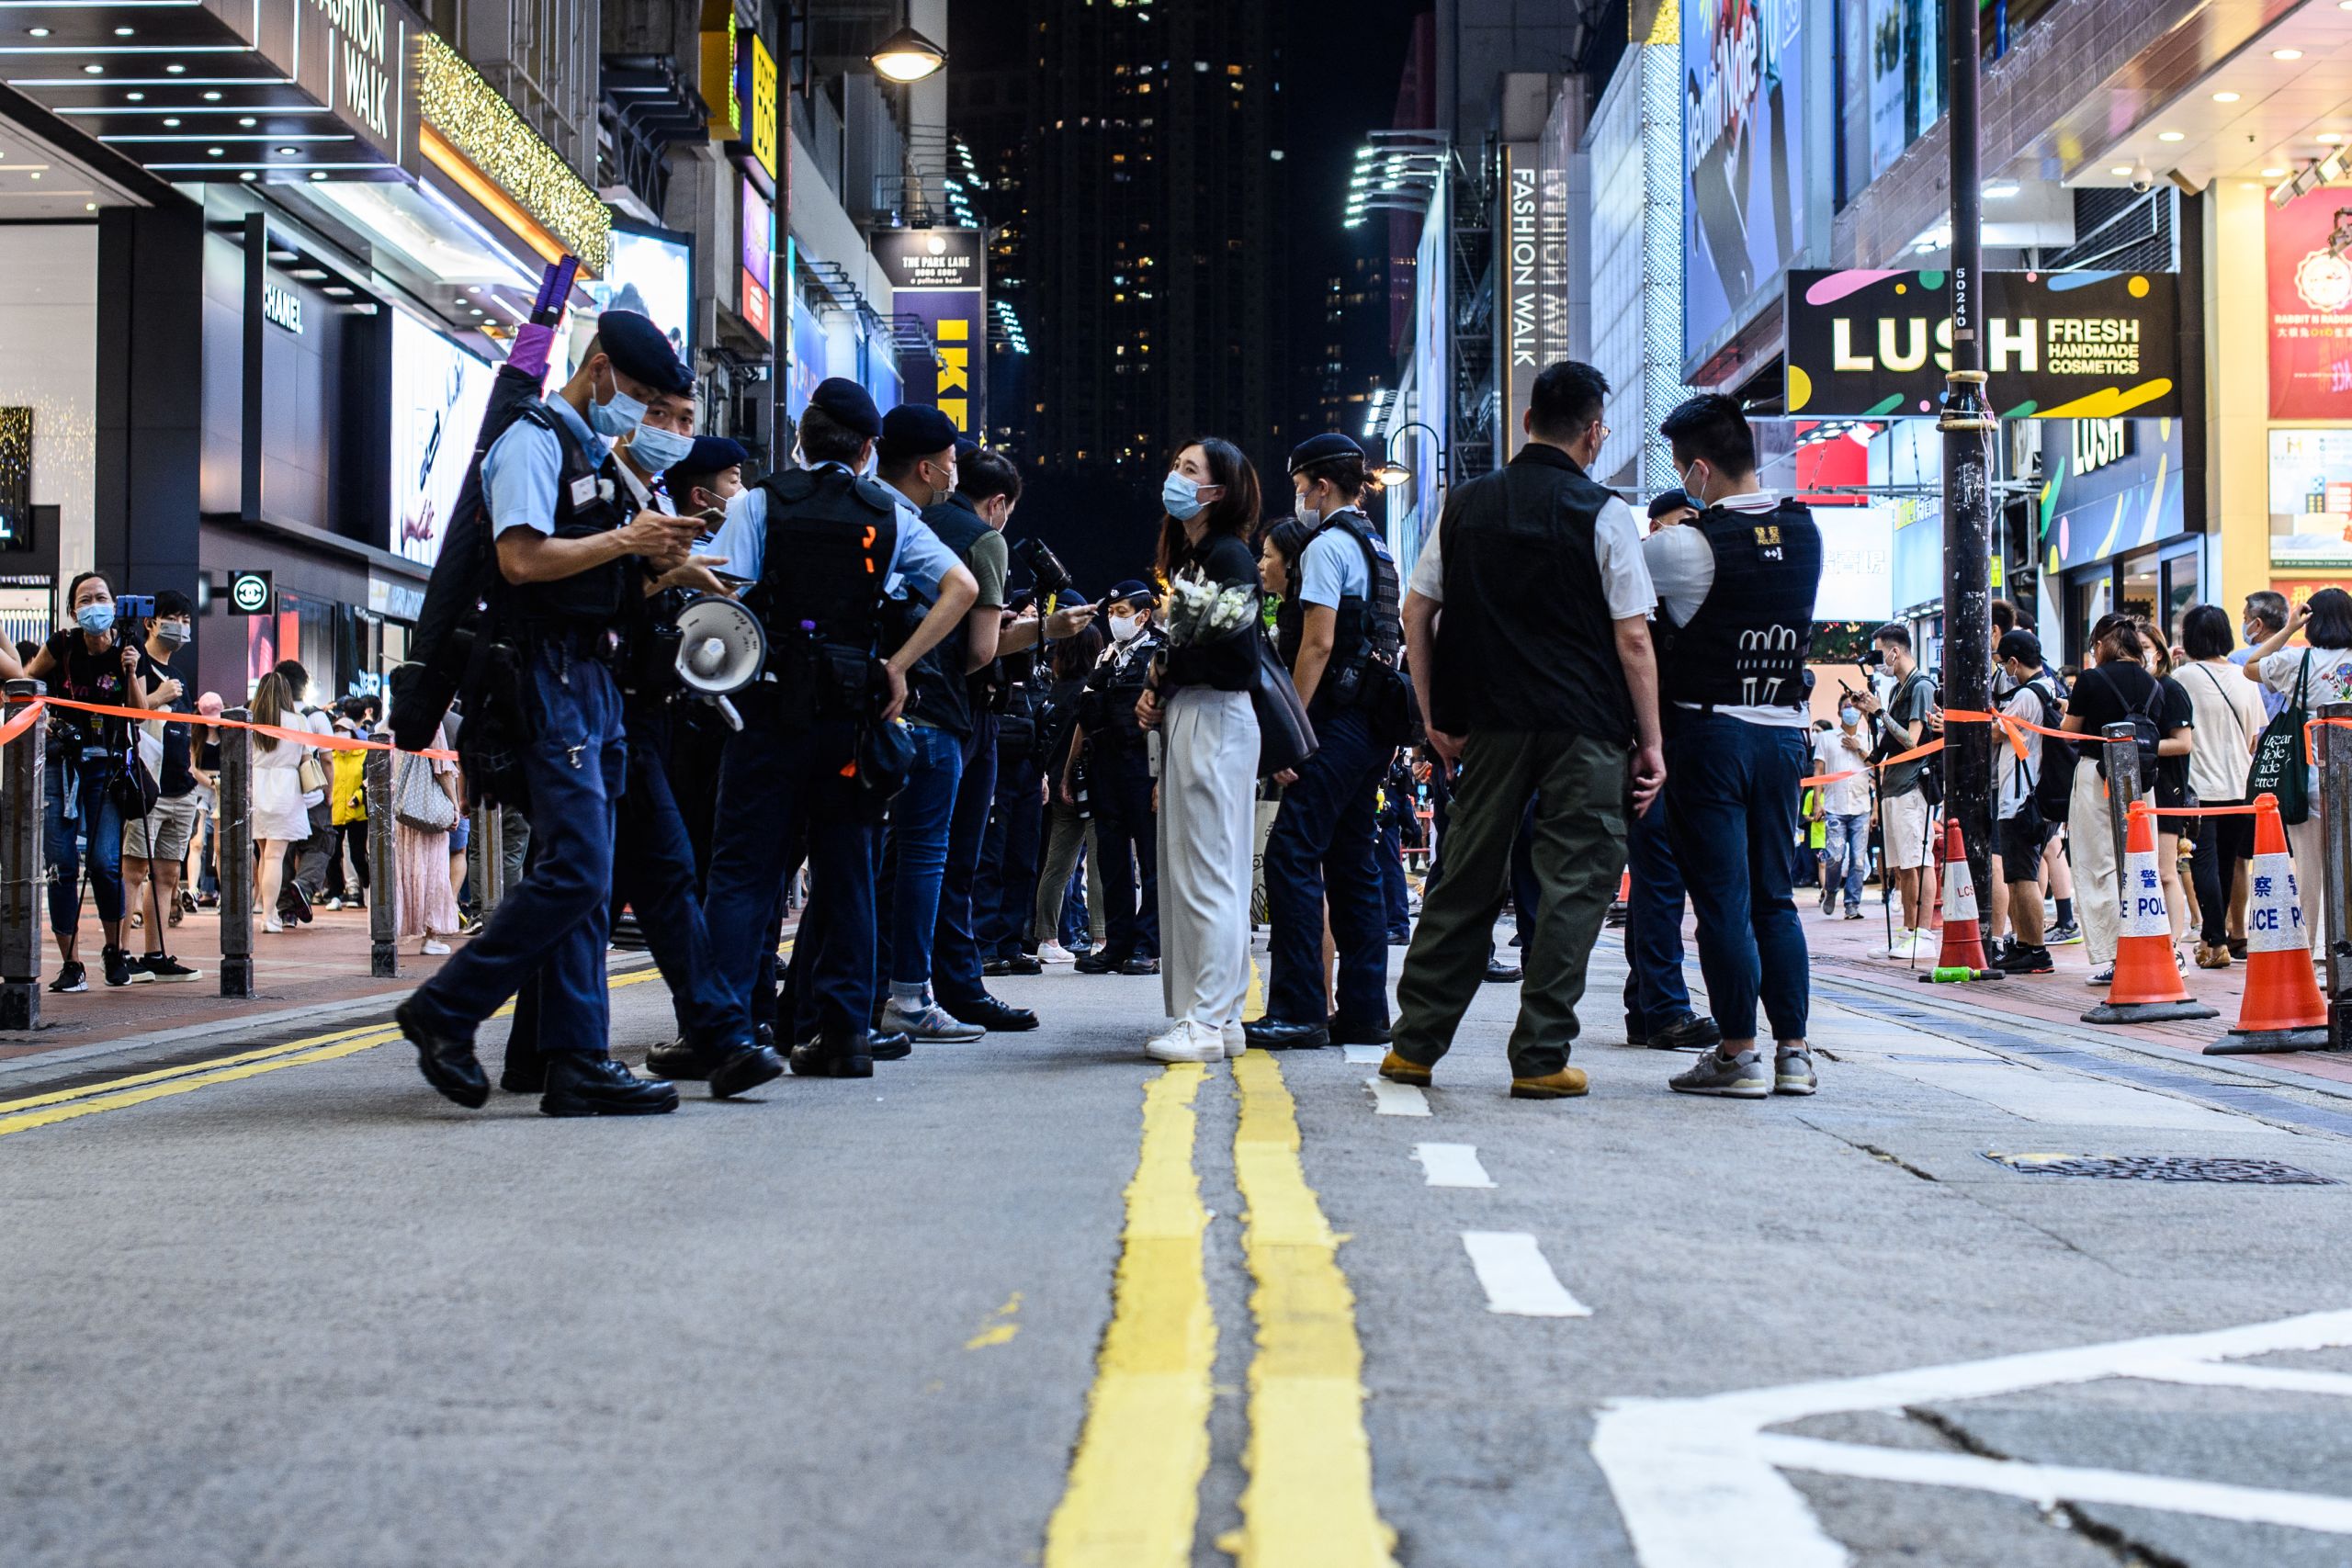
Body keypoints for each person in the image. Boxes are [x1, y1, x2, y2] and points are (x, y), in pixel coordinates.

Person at [395, 310, 742, 1117]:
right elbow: (521, 559)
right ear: (600, 371)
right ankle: (447, 1007)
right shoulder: (534, 441)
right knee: (581, 866)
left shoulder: (592, 454)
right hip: (547, 676)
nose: (650, 418)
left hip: (594, 675)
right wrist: (628, 542)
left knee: (588, 870)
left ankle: (577, 1059)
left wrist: (661, 563)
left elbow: (590, 573)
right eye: (645, 399)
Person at [1376, 361, 1664, 1099]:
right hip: (1586, 726)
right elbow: (1633, 638)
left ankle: (1413, 1047)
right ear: (1594, 434)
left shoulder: (1465, 505)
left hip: (1491, 722)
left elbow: (1416, 610)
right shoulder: (1605, 513)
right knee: (1575, 880)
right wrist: (1652, 742)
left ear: (1528, 421)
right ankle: (1539, 1055)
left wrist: (1433, 715)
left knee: (1464, 877)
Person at [700, 377, 978, 1077]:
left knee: (743, 872)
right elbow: (963, 588)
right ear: (866, 450)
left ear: (801, 439)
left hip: (769, 708)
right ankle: (844, 1033)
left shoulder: (759, 502)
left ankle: (725, 1029)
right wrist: (898, 664)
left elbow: (721, 593)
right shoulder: (887, 513)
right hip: (853, 714)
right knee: (848, 870)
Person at [535, 381, 762, 1093]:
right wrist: (665, 575)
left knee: (600, 887)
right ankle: (716, 1035)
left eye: (686, 419)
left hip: (634, 718)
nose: (673, 429)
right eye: (660, 414)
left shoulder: (642, 500)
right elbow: (577, 597)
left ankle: (540, 1049)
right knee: (640, 876)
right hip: (603, 713)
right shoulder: (596, 491)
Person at [1641, 392, 1824, 1100]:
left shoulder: (1682, 546)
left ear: (1699, 470)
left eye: (1680, 469)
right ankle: (1794, 1053)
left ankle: (1738, 1052)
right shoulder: (1806, 530)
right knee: (1775, 898)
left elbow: (1616, 594)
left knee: (1722, 900)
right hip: (1784, 735)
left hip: (1711, 733)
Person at [1248, 433, 1404, 1052]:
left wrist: (1291, 732)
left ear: (1320, 485)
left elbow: (1316, 644)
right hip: (1374, 724)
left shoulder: (1326, 547)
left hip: (1335, 721)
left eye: (1299, 487)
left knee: (1290, 852)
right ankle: (1364, 1011)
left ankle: (1299, 1008)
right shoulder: (1375, 546)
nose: (1298, 498)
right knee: (1352, 862)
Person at [918, 443, 1062, 1034]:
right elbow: (980, 652)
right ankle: (959, 986)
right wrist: (1045, 629)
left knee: (905, 860)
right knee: (957, 861)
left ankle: (901, 986)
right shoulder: (985, 540)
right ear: (998, 503)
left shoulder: (917, 523)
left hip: (907, 702)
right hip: (964, 711)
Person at [865, 406, 996, 1044]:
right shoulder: (910, 525)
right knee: (924, 858)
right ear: (926, 467)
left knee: (858, 858)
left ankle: (846, 995)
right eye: (949, 462)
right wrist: (901, 664)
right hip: (925, 713)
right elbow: (966, 602)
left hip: (841, 710)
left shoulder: (841, 508)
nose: (954, 473)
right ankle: (909, 997)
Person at [1134, 437, 1267, 1064]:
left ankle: (1207, 1021)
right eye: (1176, 465)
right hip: (1202, 715)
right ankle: (1222, 1015)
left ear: (1218, 490)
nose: (1175, 477)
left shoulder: (1227, 556)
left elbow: (1236, 659)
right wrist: (1160, 683)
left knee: (1208, 875)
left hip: (1215, 717)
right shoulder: (1200, 557)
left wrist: (1169, 669)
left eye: (1190, 470)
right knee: (1210, 872)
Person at [23, 571, 169, 990]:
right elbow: (28, 683)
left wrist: (131, 671)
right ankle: (71, 964)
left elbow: (138, 714)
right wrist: (43, 716)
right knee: (60, 864)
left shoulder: (128, 649)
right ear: (73, 611)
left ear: (114, 605)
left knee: (105, 863)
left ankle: (114, 951)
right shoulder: (61, 645)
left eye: (101, 598)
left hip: (108, 768)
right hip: (62, 764)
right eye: (84, 600)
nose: (94, 606)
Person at [1621, 487, 1718, 1053]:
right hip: (1649, 748)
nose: (1693, 536)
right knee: (1660, 879)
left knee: (1657, 881)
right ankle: (1664, 1009)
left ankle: (1648, 1005)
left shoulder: (1670, 590)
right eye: (1685, 523)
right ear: (1656, 529)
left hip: (1663, 745)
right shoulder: (1637, 580)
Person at [2062, 615, 2177, 984]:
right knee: (2140, 863)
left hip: (2098, 778)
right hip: (2141, 782)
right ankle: (2148, 947)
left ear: (2103, 645)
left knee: (2099, 865)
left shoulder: (2091, 679)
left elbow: (2069, 731)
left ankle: (2117, 953)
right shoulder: (2153, 684)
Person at [2245, 585, 2352, 956]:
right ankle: (2346, 948)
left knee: (2308, 869)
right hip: (2349, 781)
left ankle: (2313, 951)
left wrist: (2289, 628)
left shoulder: (2297, 662)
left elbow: (2251, 666)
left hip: (2307, 781)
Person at [1069, 581, 1167, 976]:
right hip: (1106, 768)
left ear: (1143, 616)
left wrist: (1164, 779)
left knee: (1152, 861)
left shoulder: (1161, 652)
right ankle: (1117, 943)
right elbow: (1085, 716)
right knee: (1110, 860)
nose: (1114, 619)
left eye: (1122, 612)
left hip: (1145, 768)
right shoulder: (1106, 655)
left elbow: (1171, 717)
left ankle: (1147, 945)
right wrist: (1069, 768)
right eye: (1110, 612)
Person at [2177, 604, 2267, 969]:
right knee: (2227, 864)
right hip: (2241, 787)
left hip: (2202, 787)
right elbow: (2253, 739)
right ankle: (2215, 938)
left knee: (2203, 863)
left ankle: (2215, 939)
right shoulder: (2245, 678)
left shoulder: (2185, 677)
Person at [121, 591, 203, 982]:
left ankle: (156, 953)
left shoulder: (180, 676)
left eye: (186, 621)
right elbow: (132, 713)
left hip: (181, 787)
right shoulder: (136, 661)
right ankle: (120, 953)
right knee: (134, 870)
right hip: (147, 785)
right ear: (150, 622)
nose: (181, 627)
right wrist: (158, 696)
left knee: (168, 874)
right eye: (173, 618)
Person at [1854, 623, 1939, 958]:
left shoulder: (1921, 686)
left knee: (1919, 860)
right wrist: (1871, 714)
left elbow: (1912, 740)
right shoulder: (1897, 690)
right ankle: (1907, 932)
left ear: (1894, 651)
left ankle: (1923, 934)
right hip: (1893, 785)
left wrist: (1880, 712)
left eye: (1879, 655)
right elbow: (1889, 740)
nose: (1878, 663)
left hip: (1913, 785)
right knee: (1902, 865)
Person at [1031, 623, 1107, 964]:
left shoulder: (1052, 691)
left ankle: (1047, 938)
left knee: (1056, 866)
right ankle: (1100, 938)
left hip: (1057, 785)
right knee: (1099, 863)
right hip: (1090, 783)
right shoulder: (1092, 691)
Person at [1989, 630, 2062, 975]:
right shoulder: (2050, 687)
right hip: (2037, 794)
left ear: (2015, 662)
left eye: (2004, 664)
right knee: (2019, 875)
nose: (2005, 671)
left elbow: (1995, 732)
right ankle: (2024, 946)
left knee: (2022, 877)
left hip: (2020, 797)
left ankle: (2036, 950)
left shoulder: (2027, 695)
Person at [2139, 624, 2198, 953]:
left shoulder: (2171, 690)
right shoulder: (2136, 688)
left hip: (2166, 790)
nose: (2139, 654)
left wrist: (2139, 747)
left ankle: (2173, 946)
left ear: (2159, 652)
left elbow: (2183, 743)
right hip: (2139, 791)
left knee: (2165, 872)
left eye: (2145, 646)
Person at [388, 707, 462, 956]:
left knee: (402, 871)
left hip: (399, 811)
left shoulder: (387, 725)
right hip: (427, 811)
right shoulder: (431, 724)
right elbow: (442, 769)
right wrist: (454, 805)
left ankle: (391, 930)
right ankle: (432, 936)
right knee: (434, 871)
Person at [249, 670, 316, 935]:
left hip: (256, 788)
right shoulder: (298, 721)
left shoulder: (251, 720)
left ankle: (266, 909)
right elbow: (306, 757)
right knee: (275, 855)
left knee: (265, 853)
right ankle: (268, 915)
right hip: (285, 789)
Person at [1814, 688, 1874, 920]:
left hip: (1861, 807)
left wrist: (1858, 748)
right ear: (1839, 712)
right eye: (1846, 707)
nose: (1850, 711)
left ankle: (1852, 904)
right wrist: (1817, 803)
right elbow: (1819, 771)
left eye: (1854, 707)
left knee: (1858, 860)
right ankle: (1831, 890)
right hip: (1835, 807)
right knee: (1835, 857)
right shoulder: (1827, 738)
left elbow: (1877, 768)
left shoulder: (1867, 739)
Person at [322, 696, 371, 911]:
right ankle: (335, 894)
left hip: (357, 813)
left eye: (344, 731)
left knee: (358, 855)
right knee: (333, 855)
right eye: (337, 731)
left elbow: (368, 780)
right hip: (334, 811)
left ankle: (366, 887)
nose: (340, 735)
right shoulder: (329, 756)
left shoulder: (363, 754)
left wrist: (359, 796)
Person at [2234, 591, 2292, 721]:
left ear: (2258, 624)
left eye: (2246, 619)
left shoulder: (2238, 660)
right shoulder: (2296, 657)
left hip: (2252, 733)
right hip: (2289, 733)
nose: (2244, 624)